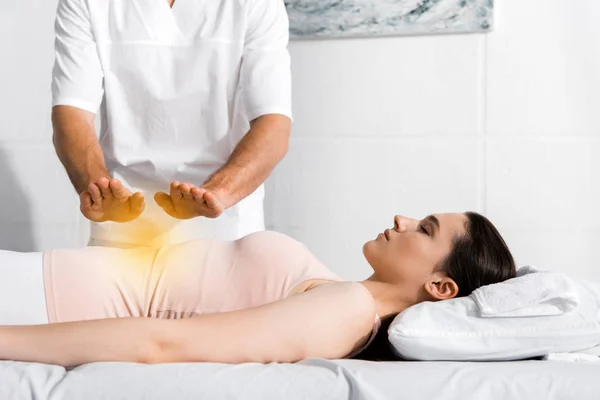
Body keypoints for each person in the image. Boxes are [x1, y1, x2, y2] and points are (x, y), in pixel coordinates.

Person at [0, 212, 515, 366]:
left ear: (441, 286)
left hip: (32, 305)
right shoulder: (342, 295)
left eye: (425, 229)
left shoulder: (346, 312)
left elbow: (163, 343)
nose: (403, 218)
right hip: (34, 284)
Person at [51, 0, 293, 247]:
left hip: (227, 229)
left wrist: (217, 193)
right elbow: (71, 113)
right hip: (121, 226)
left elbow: (273, 123)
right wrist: (99, 189)